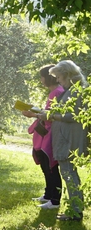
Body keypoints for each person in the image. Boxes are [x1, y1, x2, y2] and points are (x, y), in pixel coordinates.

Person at [38, 61, 88, 221]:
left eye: (59, 77)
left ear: (66, 74)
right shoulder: (72, 90)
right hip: (66, 138)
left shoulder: (76, 91)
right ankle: (75, 209)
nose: (57, 80)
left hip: (69, 139)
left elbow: (73, 116)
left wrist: (51, 116)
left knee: (69, 174)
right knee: (69, 174)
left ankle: (75, 211)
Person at [22, 64, 64, 209]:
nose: (41, 80)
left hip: (50, 134)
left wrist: (32, 113)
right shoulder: (54, 92)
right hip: (46, 133)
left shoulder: (56, 93)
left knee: (51, 166)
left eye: (42, 76)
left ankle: (55, 200)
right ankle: (48, 195)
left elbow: (51, 116)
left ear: (49, 77)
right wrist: (34, 111)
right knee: (45, 165)